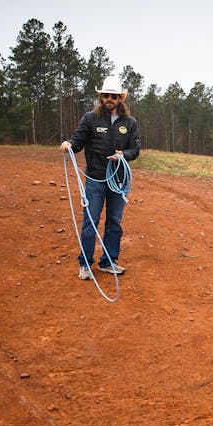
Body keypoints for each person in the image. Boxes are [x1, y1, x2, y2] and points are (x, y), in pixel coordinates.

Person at [60, 76, 141, 280]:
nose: (109, 99)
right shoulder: (90, 118)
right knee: (91, 222)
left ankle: (108, 261)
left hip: (118, 180)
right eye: (106, 95)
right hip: (95, 179)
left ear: (120, 98)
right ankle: (85, 263)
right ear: (101, 97)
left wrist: (124, 155)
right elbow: (78, 140)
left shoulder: (129, 123)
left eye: (113, 96)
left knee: (114, 222)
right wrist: (69, 144)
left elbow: (135, 148)